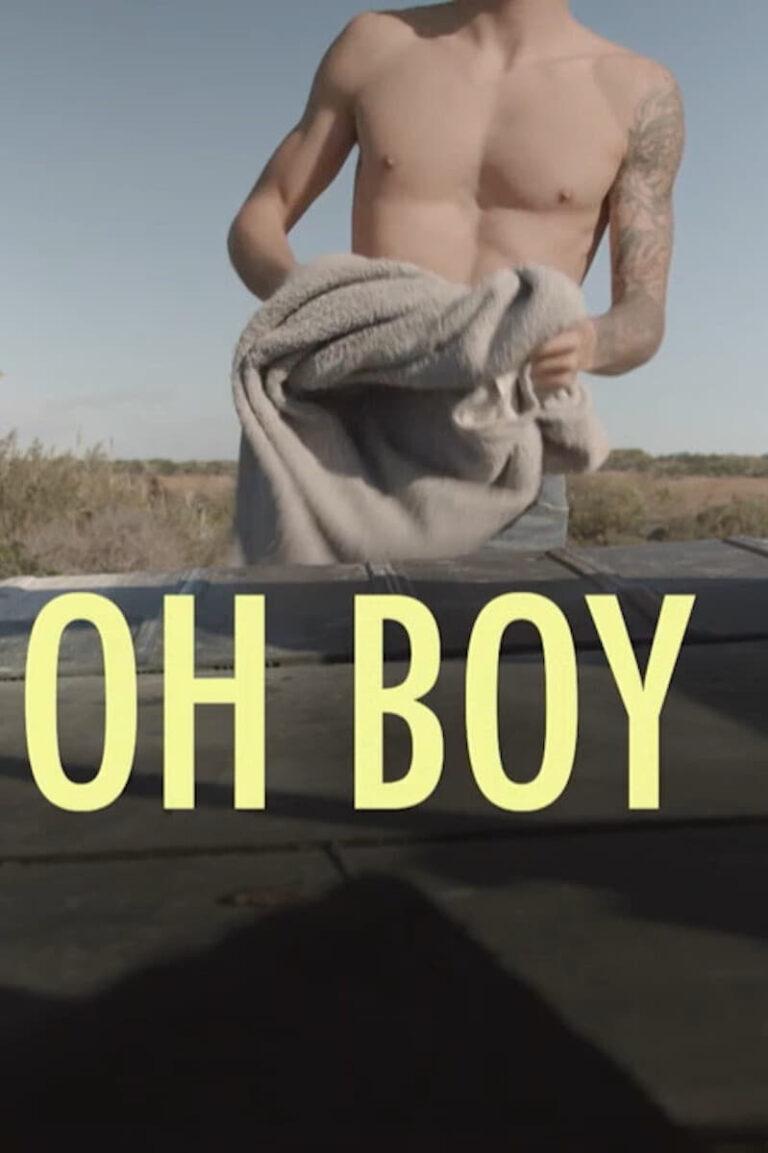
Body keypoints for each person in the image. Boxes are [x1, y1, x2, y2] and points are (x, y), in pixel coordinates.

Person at [227, 0, 685, 549]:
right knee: (303, 606)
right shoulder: (376, 45)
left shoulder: (636, 91)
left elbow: (644, 315)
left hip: (510, 460)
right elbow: (262, 215)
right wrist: (317, 306)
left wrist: (589, 343)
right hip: (348, 448)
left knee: (515, 611)